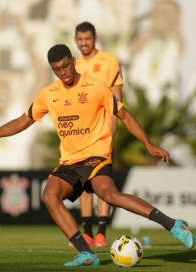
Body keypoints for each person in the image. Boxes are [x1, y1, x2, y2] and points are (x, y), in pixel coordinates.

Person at [0, 44, 194, 266]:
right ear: (52, 69)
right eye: (57, 69)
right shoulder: (48, 94)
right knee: (49, 196)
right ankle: (87, 254)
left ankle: (173, 225)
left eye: (66, 66)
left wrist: (149, 144)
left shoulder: (95, 87)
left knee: (109, 195)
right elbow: (22, 121)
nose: (63, 72)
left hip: (96, 156)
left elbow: (124, 115)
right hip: (69, 161)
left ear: (73, 61)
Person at [73, 21, 123, 247]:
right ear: (75, 40)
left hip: (102, 132)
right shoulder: (73, 65)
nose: (84, 43)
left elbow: (117, 99)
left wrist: (111, 129)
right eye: (80, 39)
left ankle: (101, 232)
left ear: (95, 39)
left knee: (102, 180)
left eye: (87, 39)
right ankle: (86, 233)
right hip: (79, 135)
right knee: (84, 183)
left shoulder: (110, 61)